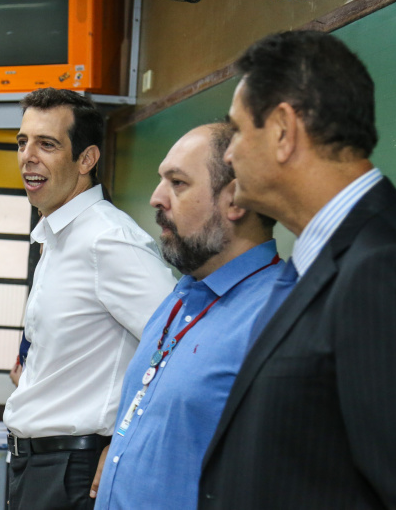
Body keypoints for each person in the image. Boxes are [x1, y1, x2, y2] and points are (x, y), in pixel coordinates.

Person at [199, 30, 396, 509]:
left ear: (282, 131)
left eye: (236, 131)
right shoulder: (326, 257)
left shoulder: (385, 271)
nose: (228, 154)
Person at [91, 122, 282, 509]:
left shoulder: (282, 317)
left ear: (236, 199)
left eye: (177, 183)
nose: (156, 198)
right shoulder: (181, 296)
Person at [4, 88, 176, 510]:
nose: (28, 155)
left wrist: (124, 437)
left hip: (74, 471)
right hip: (35, 464)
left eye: (47, 144)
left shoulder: (108, 240)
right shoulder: (56, 235)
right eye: (22, 142)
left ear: (86, 160)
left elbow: (182, 346)